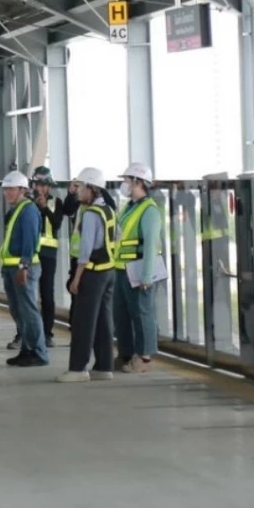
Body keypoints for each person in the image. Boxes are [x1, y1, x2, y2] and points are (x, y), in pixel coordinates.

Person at [57, 168, 117, 383]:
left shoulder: (91, 214)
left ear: (92, 189)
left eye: (81, 187)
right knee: (103, 320)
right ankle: (104, 367)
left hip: (92, 272)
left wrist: (77, 277)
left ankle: (78, 368)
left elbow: (85, 250)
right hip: (108, 270)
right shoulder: (108, 210)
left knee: (83, 321)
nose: (78, 191)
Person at [113, 163, 165, 372]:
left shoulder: (149, 210)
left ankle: (144, 357)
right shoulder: (129, 207)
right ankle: (125, 354)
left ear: (138, 182)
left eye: (127, 180)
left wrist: (147, 276)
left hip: (138, 269)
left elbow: (151, 244)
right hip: (121, 268)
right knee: (121, 314)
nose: (124, 184)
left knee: (142, 313)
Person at [0, 171, 49, 367]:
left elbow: (29, 241)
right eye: (5, 190)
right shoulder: (16, 210)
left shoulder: (28, 211)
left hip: (22, 269)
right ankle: (27, 350)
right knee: (19, 311)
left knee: (28, 311)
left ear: (22, 190)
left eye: (11, 189)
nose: (7, 193)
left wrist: (24, 266)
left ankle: (39, 352)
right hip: (11, 267)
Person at [28, 167, 61, 350]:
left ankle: (47, 334)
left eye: (43, 185)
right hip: (31, 253)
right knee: (27, 295)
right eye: (37, 184)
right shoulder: (27, 202)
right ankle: (25, 334)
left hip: (48, 254)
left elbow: (57, 223)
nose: (39, 188)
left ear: (49, 187)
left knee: (47, 294)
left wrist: (45, 208)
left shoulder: (56, 202)